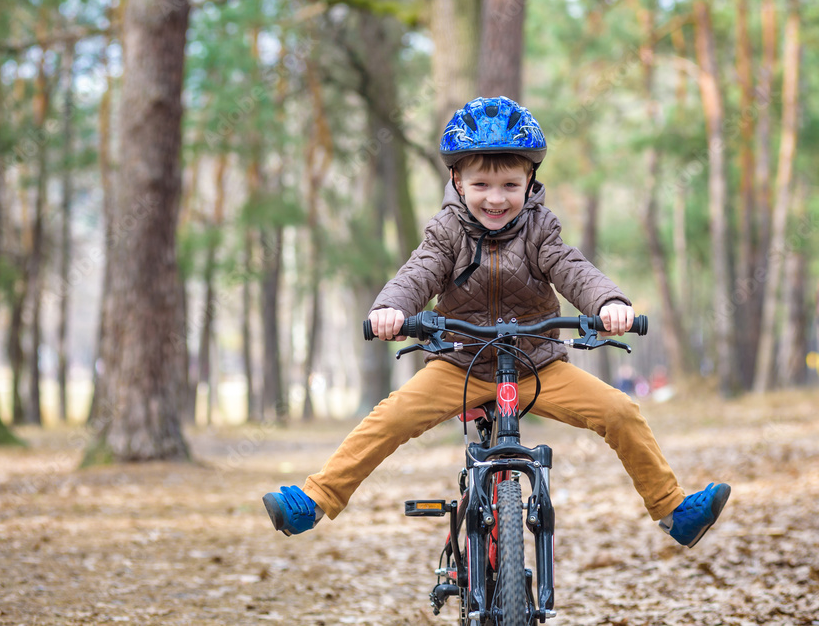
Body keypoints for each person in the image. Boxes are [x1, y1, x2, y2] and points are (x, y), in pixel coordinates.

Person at [263, 96, 729, 548]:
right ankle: (315, 500)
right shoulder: (445, 232)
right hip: (459, 365)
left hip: (536, 366)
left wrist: (608, 302)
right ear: (458, 181)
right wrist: (392, 309)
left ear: (529, 181)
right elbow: (419, 271)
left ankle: (672, 511)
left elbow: (573, 269)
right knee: (392, 417)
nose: (496, 198)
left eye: (509, 184)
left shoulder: (540, 229)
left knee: (620, 411)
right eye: (481, 185)